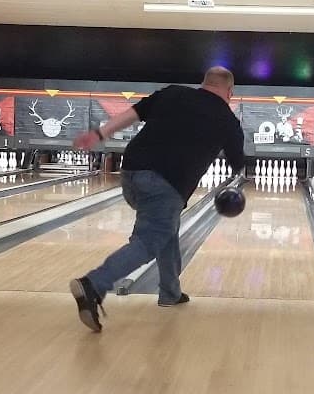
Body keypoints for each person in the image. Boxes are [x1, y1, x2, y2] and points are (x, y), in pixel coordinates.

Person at [70, 66, 245, 332]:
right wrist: (235, 185)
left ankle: (170, 292)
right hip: (166, 184)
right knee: (150, 241)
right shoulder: (227, 119)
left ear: (204, 83)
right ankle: (94, 284)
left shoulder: (172, 93)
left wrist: (98, 135)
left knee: (166, 228)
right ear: (230, 92)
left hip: (130, 173)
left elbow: (132, 114)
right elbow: (237, 164)